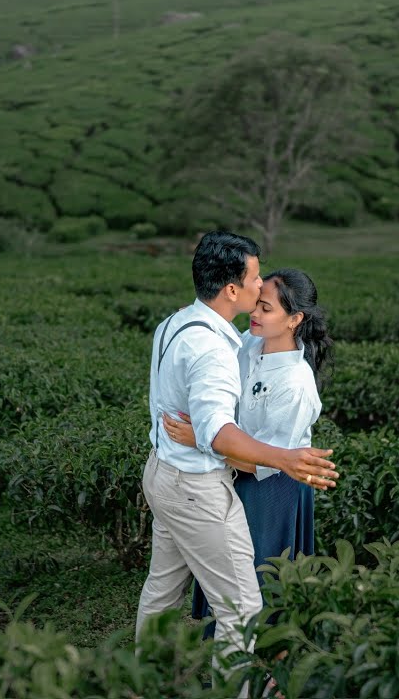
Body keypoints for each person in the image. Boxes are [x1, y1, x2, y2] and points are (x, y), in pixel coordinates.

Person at [135, 231, 338, 674]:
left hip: (170, 473)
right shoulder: (220, 347)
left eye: (268, 301)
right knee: (242, 606)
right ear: (232, 289)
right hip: (198, 486)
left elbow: (221, 432)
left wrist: (209, 439)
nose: (258, 284)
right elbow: (219, 433)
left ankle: (143, 677)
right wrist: (281, 458)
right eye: (254, 278)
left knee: (164, 587)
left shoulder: (175, 322)